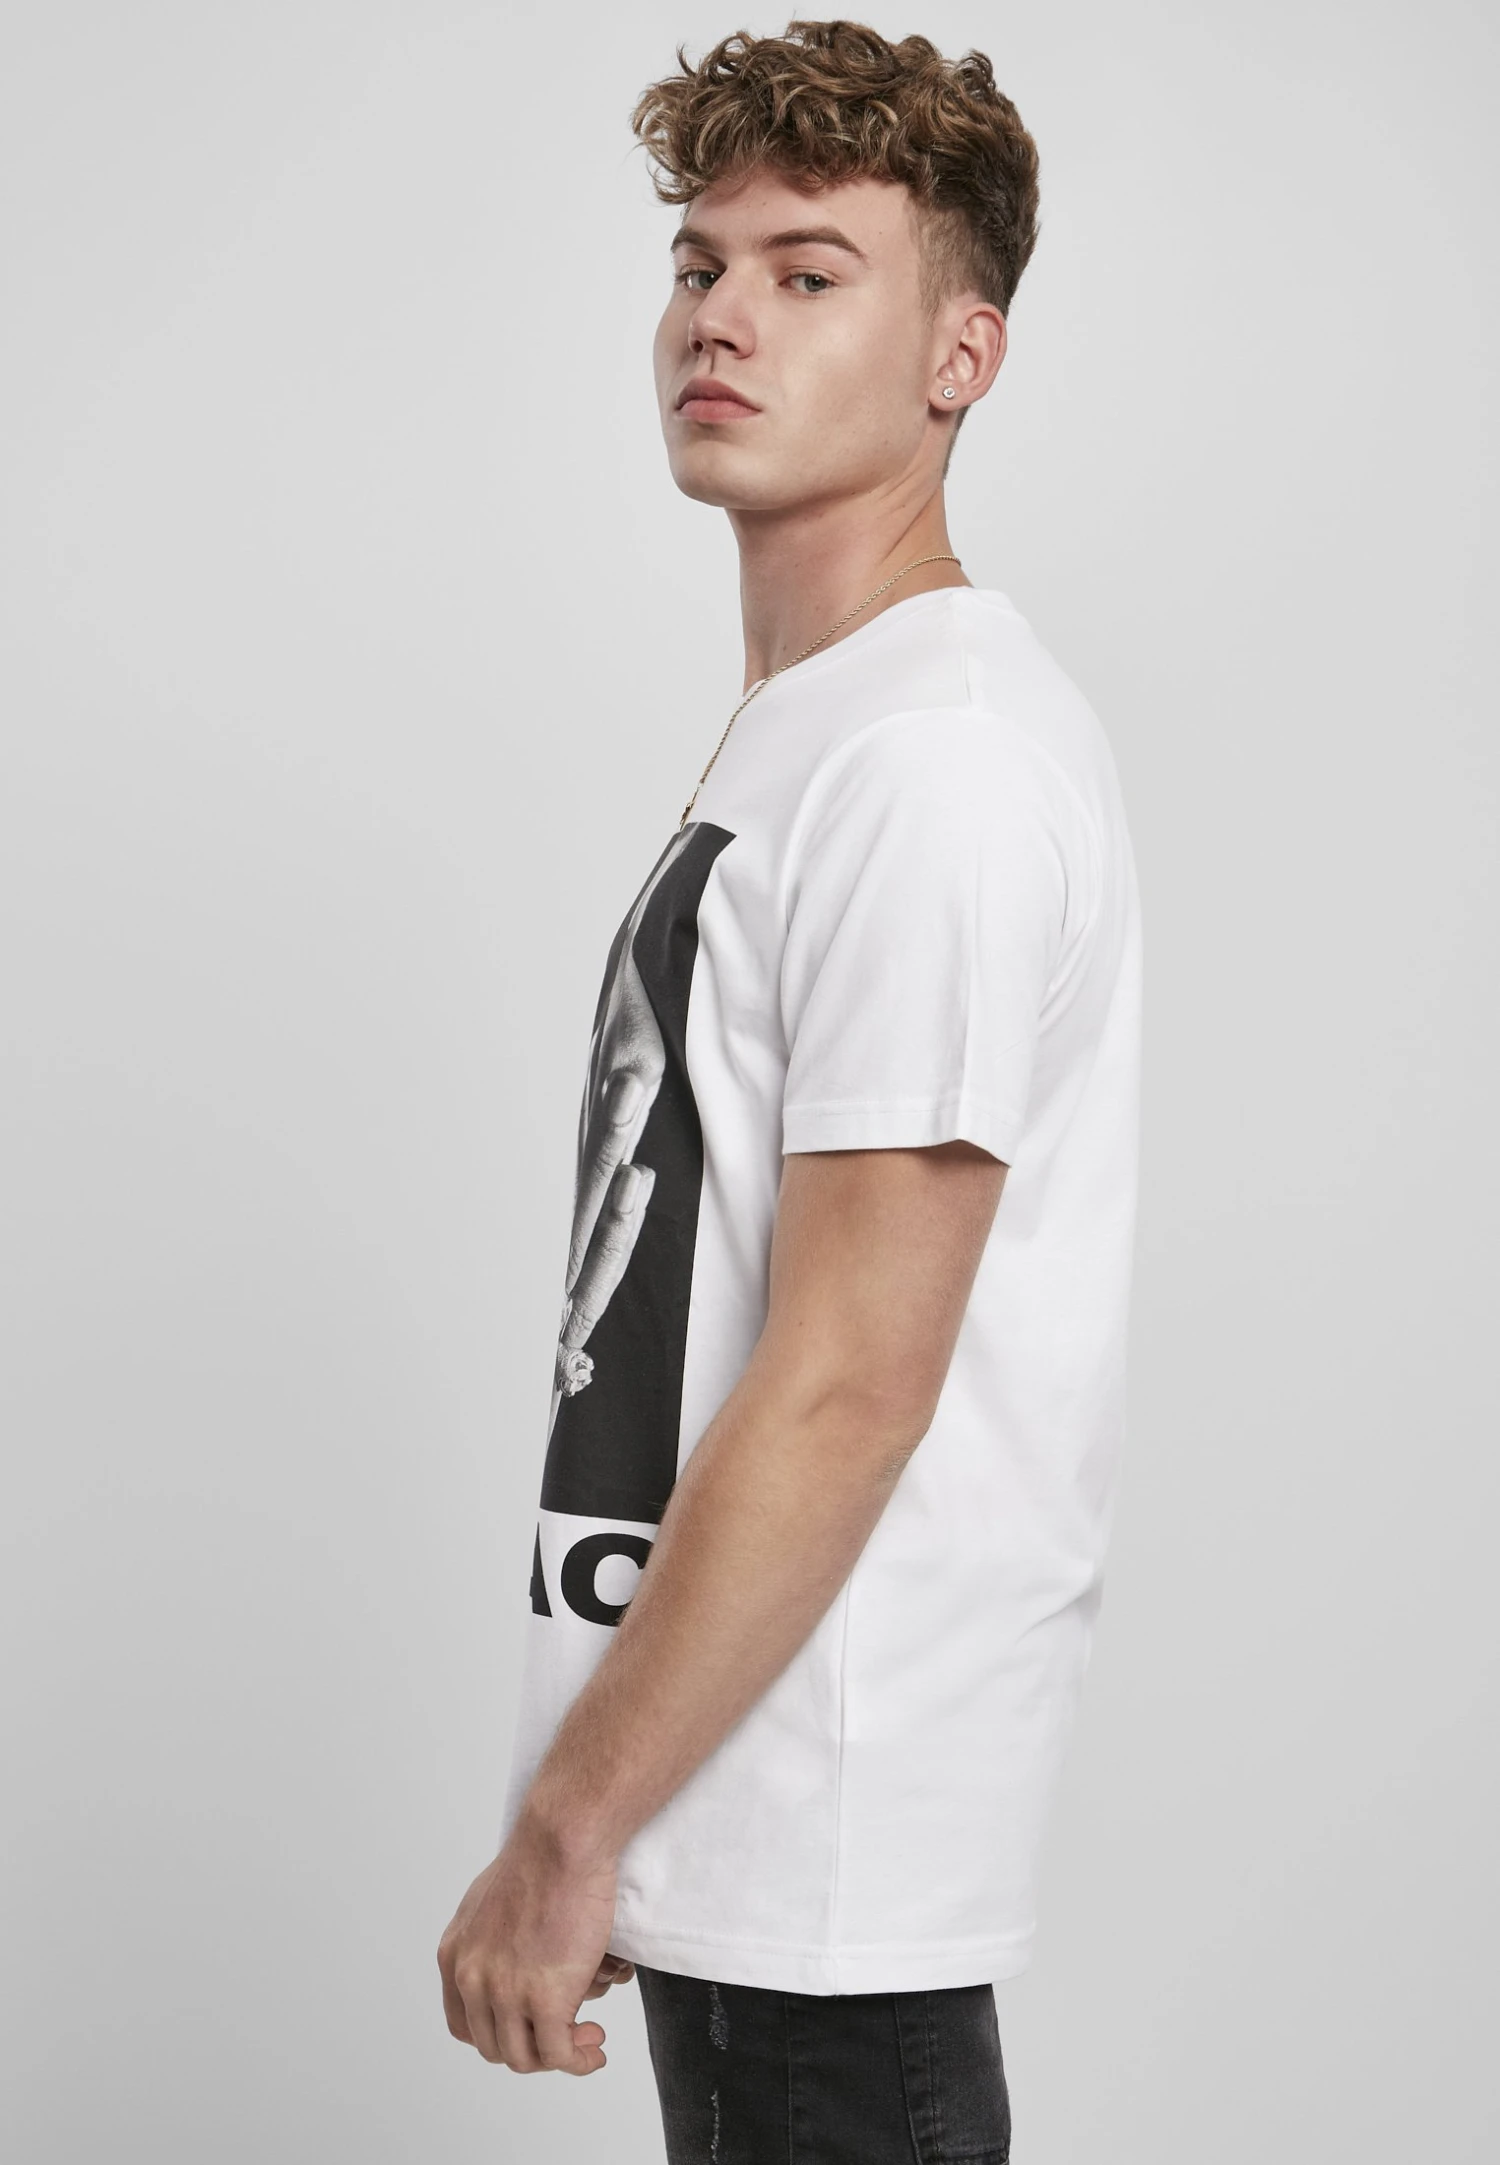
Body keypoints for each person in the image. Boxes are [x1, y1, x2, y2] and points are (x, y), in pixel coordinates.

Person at [437, 20, 1142, 2161]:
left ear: (962, 355)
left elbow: (849, 1379)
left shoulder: (934, 764)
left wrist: (569, 1826)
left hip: (826, 1864)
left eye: (810, 271)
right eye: (699, 262)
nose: (720, 317)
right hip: (749, 1836)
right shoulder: (829, 725)